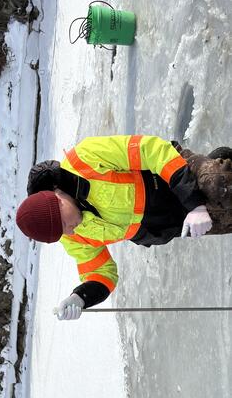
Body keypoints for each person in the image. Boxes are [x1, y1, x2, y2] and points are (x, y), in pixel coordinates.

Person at [15, 135, 232, 321]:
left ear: (58, 198)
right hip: (172, 222)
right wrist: (81, 297)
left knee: (218, 185)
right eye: (63, 233)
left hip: (177, 176)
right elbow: (101, 274)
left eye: (64, 224)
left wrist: (193, 203)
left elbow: (152, 150)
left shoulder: (85, 157)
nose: (70, 232)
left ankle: (216, 167)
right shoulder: (72, 236)